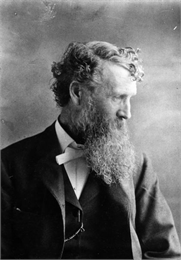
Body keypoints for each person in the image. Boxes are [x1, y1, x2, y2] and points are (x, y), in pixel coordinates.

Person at [1, 41, 181, 259]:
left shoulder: (137, 165)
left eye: (130, 99)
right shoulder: (9, 164)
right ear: (77, 92)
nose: (127, 113)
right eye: (117, 98)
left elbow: (165, 253)